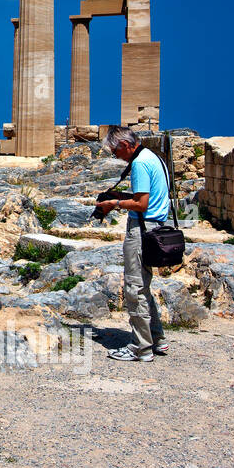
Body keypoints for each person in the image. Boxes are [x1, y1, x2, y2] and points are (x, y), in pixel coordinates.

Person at [95, 126, 171, 362]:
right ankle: (157, 339)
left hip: (141, 229)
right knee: (144, 286)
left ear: (125, 145)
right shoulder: (154, 157)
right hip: (157, 226)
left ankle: (140, 348)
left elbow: (141, 204)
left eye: (115, 151)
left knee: (134, 287)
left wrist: (114, 204)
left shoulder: (139, 164)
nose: (115, 156)